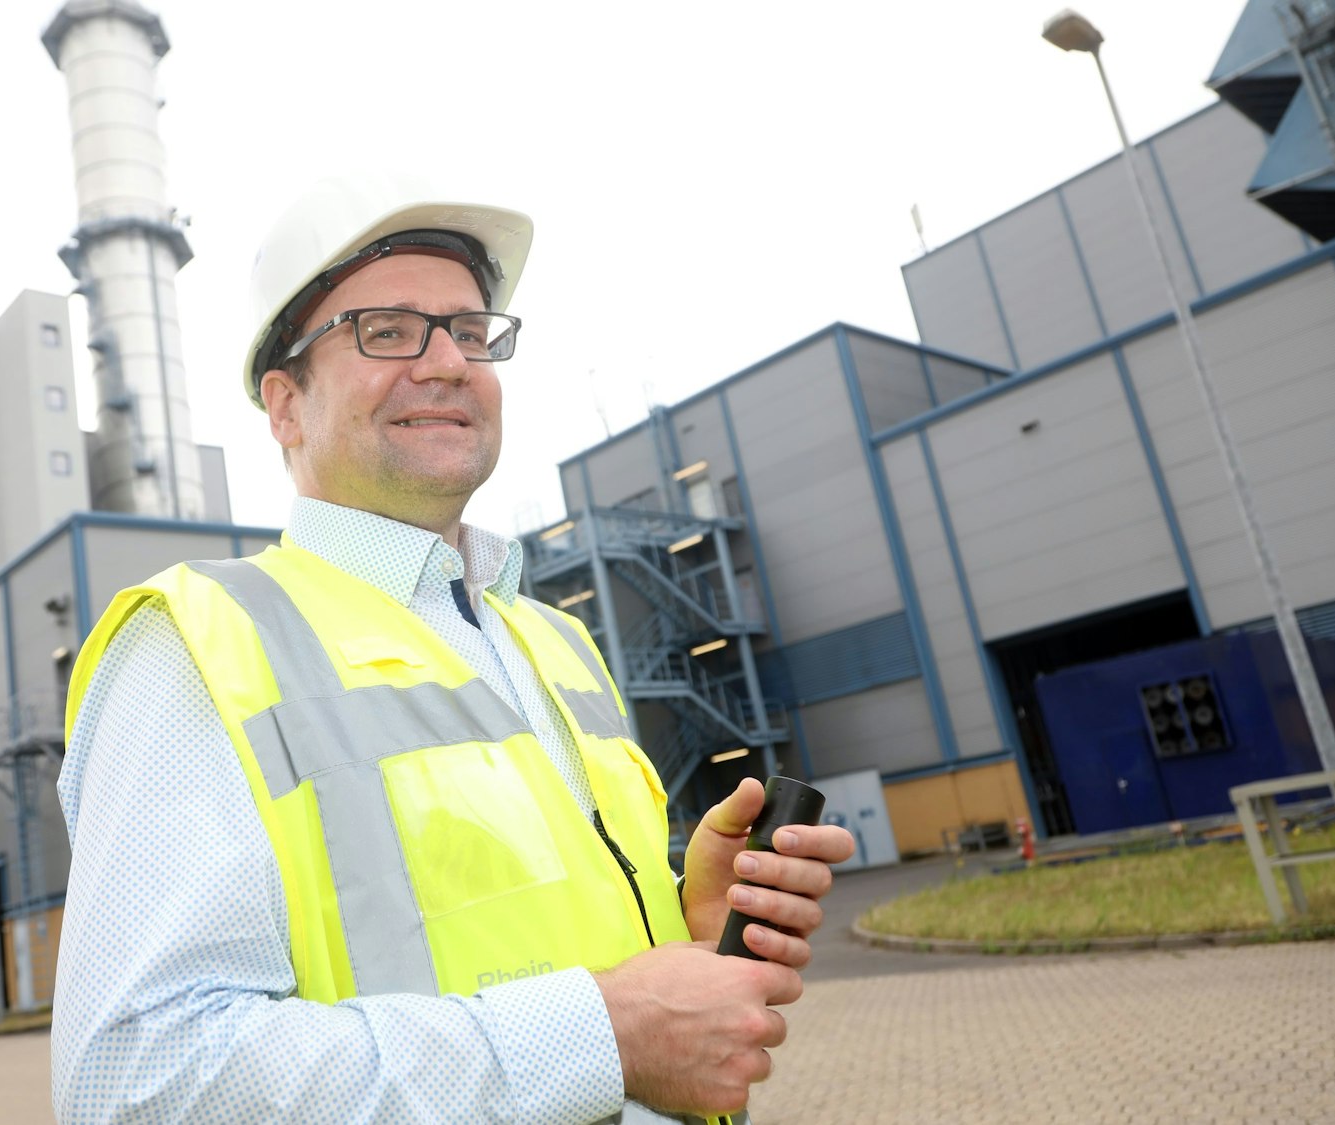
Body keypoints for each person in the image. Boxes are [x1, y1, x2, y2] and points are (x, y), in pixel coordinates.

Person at [51, 177, 856, 1124]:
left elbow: (524, 923)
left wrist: (687, 928)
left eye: (471, 332)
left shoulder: (552, 640)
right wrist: (605, 1033)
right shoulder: (199, 644)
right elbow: (138, 1081)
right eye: (388, 330)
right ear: (285, 405)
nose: (447, 362)